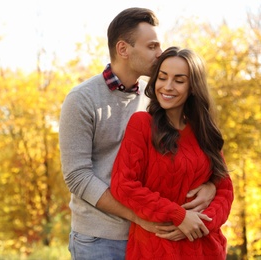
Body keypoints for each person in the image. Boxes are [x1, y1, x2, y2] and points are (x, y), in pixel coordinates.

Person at [59, 7, 217, 260]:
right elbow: (77, 176)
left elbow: (183, 155)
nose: (160, 53)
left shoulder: (157, 95)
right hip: (100, 239)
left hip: (152, 237)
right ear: (123, 49)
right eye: (152, 46)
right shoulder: (82, 99)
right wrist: (138, 216)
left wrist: (211, 185)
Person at [110, 46, 234, 259]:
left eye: (179, 80)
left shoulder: (205, 131)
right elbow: (123, 185)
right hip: (156, 249)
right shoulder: (142, 125)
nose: (167, 86)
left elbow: (225, 191)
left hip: (205, 249)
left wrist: (197, 223)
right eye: (162, 77)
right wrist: (178, 216)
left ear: (193, 87)